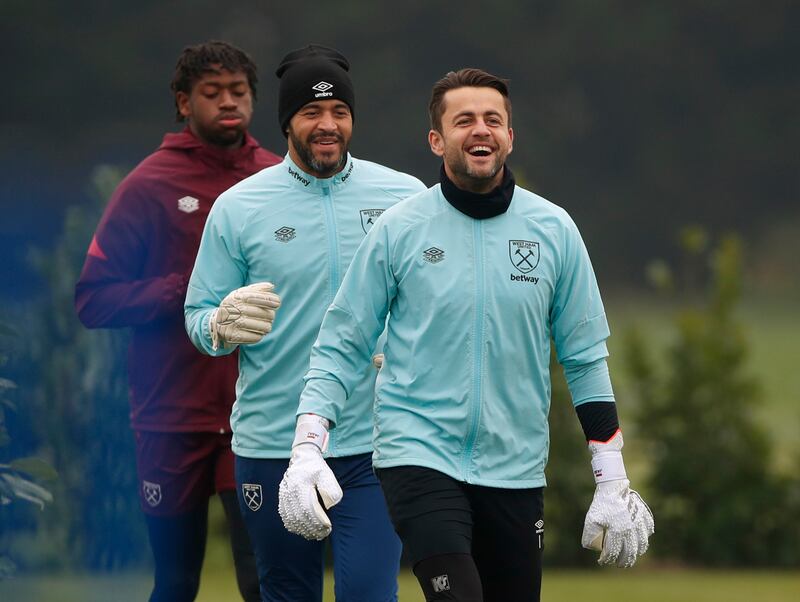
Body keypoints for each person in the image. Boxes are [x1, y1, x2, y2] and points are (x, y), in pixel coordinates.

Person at [279, 68, 655, 602]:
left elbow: (585, 358)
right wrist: (308, 447)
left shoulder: (554, 230)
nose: (480, 130)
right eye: (464, 121)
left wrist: (611, 476)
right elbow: (342, 342)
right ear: (437, 140)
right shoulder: (400, 228)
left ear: (509, 137)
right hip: (418, 454)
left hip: (516, 466)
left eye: (492, 120)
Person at [184, 44, 426, 602]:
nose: (327, 125)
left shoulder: (404, 197)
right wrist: (219, 324)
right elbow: (196, 317)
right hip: (271, 440)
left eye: (339, 112)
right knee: (287, 591)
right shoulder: (240, 207)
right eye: (311, 113)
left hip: (374, 441)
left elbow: (437, 300)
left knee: (369, 591)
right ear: (287, 122)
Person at [75, 40, 280, 602]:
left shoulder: (277, 179)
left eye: (238, 92)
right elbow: (93, 300)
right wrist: (186, 293)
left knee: (263, 582)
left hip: (257, 416)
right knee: (175, 583)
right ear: (184, 102)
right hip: (171, 417)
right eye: (211, 93)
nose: (228, 103)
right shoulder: (148, 185)